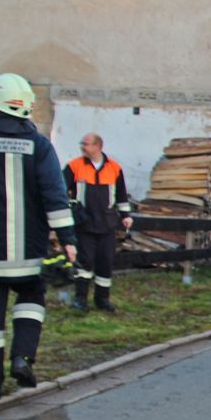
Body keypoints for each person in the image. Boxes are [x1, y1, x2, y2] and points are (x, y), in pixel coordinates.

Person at [0, 73, 78, 400]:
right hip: (25, 252)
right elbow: (53, 195)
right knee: (31, 298)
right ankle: (22, 357)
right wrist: (68, 238)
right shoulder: (38, 146)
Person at [63, 133, 133, 312]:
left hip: (107, 224)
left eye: (85, 144)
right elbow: (61, 190)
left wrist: (125, 215)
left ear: (98, 146)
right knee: (84, 262)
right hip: (84, 224)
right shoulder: (74, 166)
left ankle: (102, 300)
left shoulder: (114, 168)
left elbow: (121, 194)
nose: (82, 147)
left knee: (105, 262)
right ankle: (80, 300)